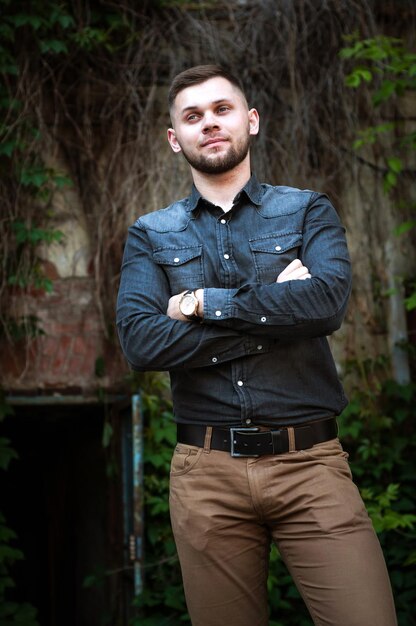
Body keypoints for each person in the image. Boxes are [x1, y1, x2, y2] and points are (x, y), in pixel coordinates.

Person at [116, 65, 397, 626]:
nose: (210, 123)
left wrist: (202, 304)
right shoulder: (151, 234)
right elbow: (141, 342)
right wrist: (276, 310)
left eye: (222, 109)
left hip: (311, 467)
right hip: (207, 475)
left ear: (251, 120)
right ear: (175, 138)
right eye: (192, 116)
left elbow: (326, 305)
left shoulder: (307, 210)